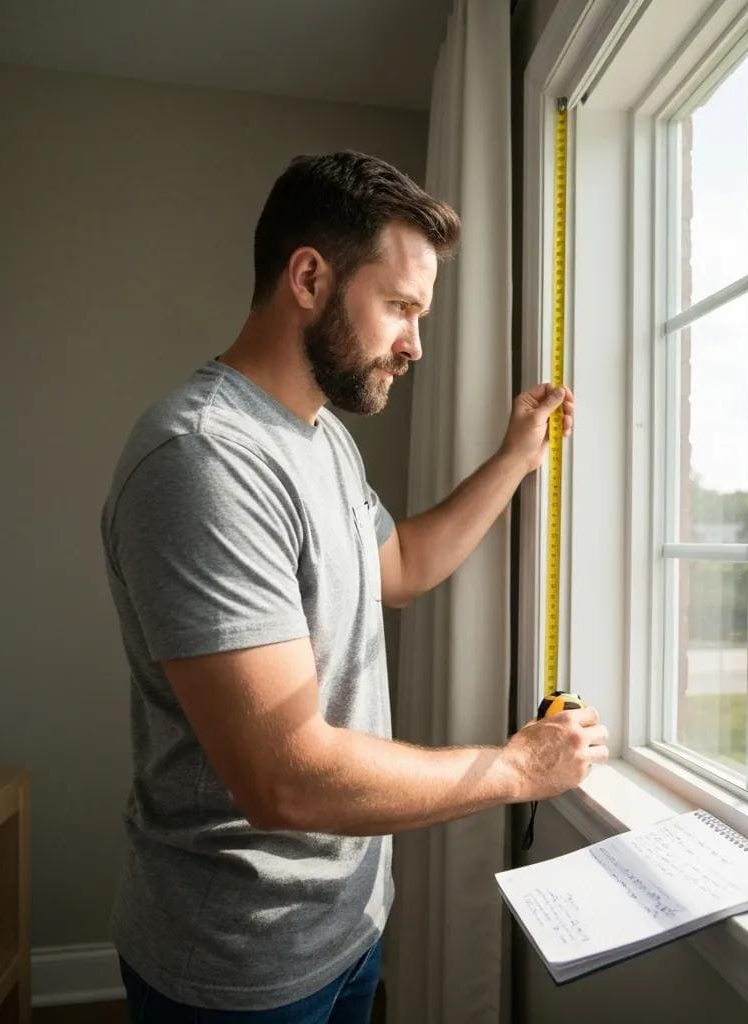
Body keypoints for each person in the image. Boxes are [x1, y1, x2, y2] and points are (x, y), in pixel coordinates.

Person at [100, 150, 607, 1023]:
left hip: (348, 926)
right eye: (401, 308)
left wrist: (516, 459)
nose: (415, 344)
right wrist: (517, 769)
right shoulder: (204, 458)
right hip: (240, 963)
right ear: (309, 277)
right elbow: (285, 781)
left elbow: (399, 569)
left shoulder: (321, 437)